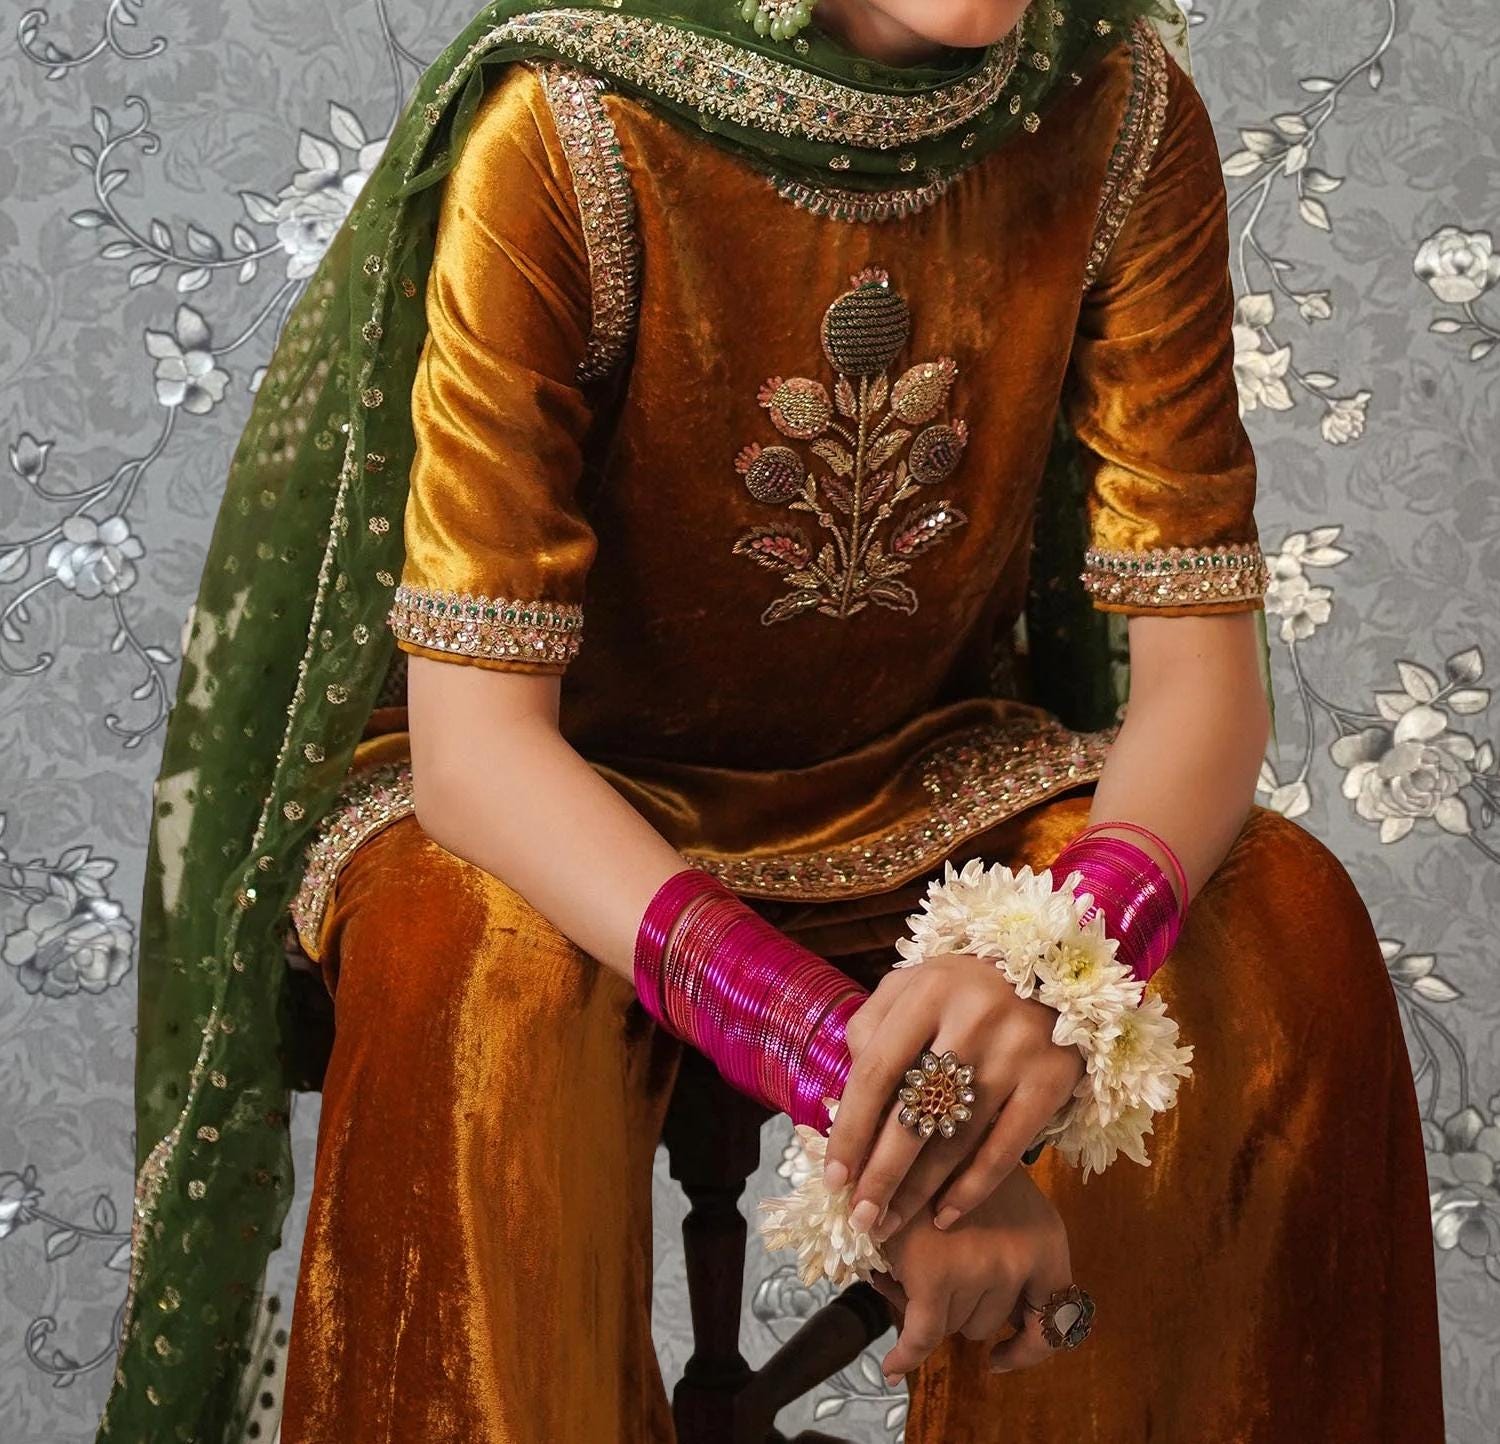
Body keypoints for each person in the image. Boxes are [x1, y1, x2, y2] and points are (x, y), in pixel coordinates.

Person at [96, 1, 1445, 1441]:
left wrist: (1055, 970)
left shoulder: (1114, 115)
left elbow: (1201, 686)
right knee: (477, 976)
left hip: (921, 776)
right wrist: (898, 1115)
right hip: (561, 802)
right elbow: (477, 752)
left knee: (1282, 927)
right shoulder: (566, 129)